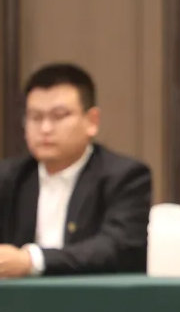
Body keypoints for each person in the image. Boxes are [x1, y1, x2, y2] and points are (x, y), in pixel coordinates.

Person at [0, 63, 152, 276]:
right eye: (35, 117)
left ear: (92, 121)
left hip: (95, 295)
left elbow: (117, 248)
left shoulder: (125, 176)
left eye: (59, 116)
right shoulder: (9, 177)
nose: (45, 128)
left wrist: (32, 261)